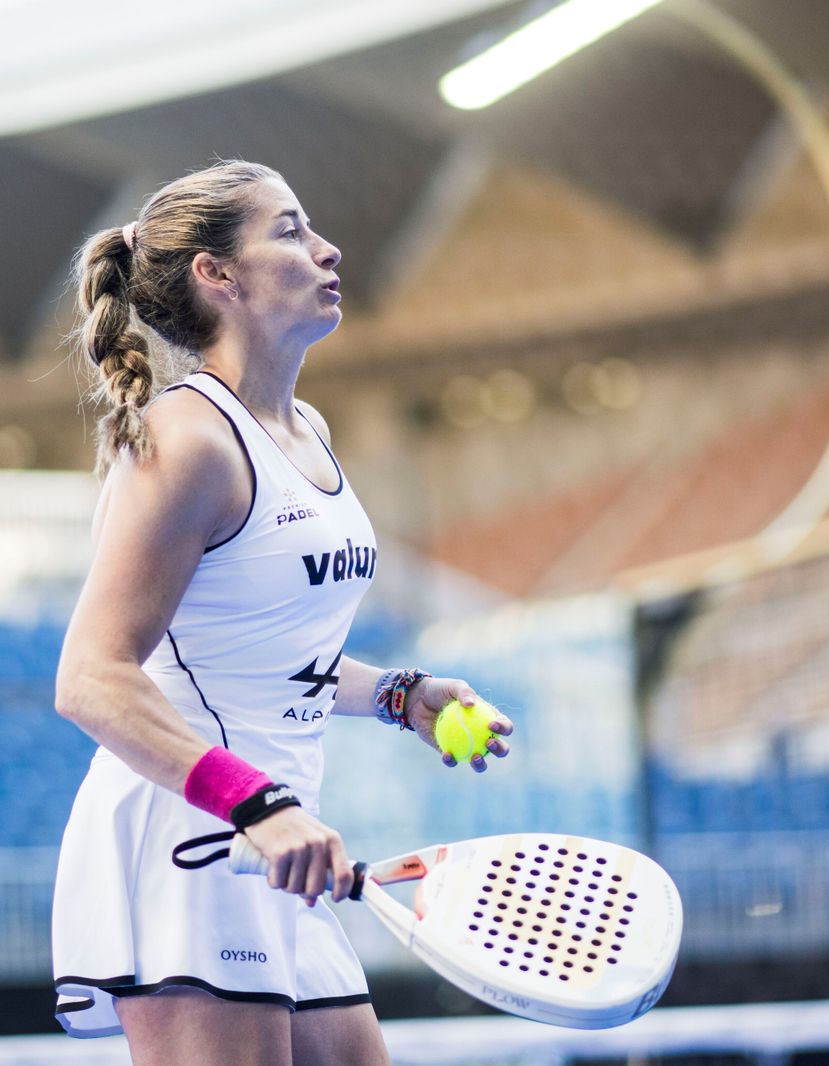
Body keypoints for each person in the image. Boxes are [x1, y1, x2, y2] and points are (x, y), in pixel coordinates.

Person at [50, 159, 514, 1066]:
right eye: (291, 231)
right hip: (195, 839)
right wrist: (254, 804)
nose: (328, 248)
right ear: (216, 276)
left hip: (276, 841)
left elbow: (257, 655)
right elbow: (92, 678)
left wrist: (398, 695)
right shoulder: (187, 440)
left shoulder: (309, 430)